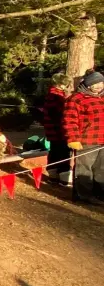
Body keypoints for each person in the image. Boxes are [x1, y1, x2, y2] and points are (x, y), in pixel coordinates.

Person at [63, 71, 104, 202]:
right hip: (87, 140)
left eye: (101, 83)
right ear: (87, 84)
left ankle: (99, 193)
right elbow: (69, 120)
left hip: (103, 140)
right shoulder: (77, 99)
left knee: (101, 169)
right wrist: (73, 138)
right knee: (84, 169)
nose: (99, 86)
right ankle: (83, 195)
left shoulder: (102, 98)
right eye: (95, 83)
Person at [43, 73, 71, 184]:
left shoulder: (50, 94)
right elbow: (61, 114)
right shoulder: (57, 96)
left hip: (52, 130)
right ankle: (63, 178)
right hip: (59, 130)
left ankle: (53, 176)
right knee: (63, 153)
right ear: (60, 84)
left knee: (54, 152)